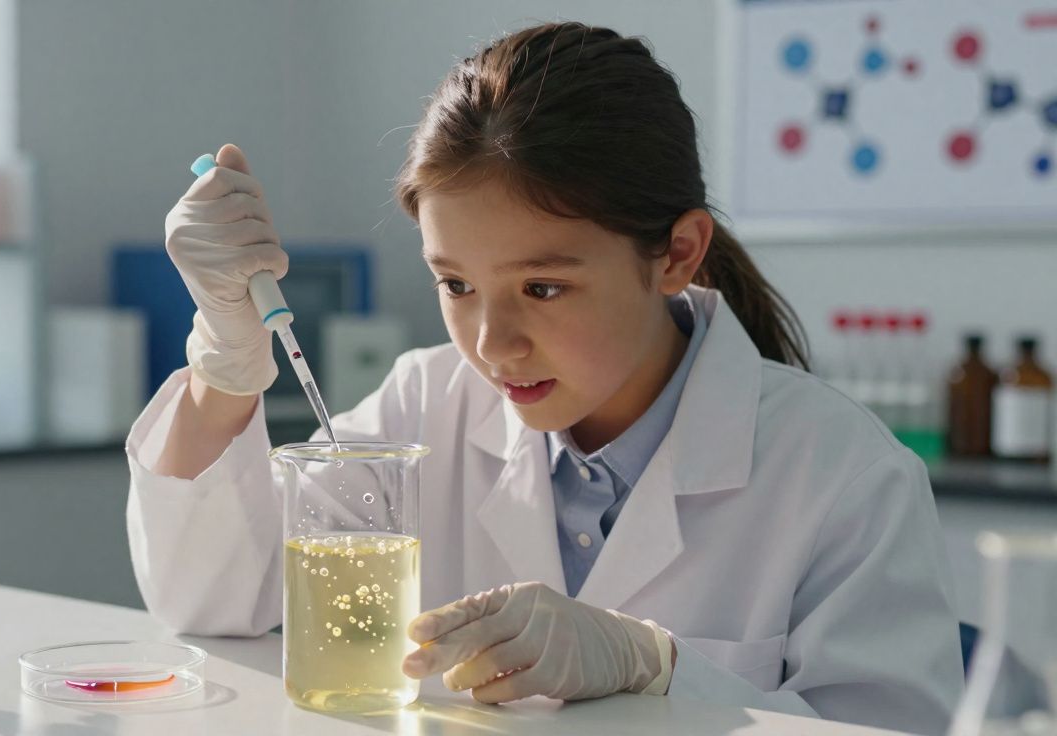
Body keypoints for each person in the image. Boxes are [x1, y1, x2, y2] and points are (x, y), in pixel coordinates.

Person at [126, 21, 963, 734]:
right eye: (455, 285)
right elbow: (215, 604)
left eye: (543, 288)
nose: (492, 345)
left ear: (677, 254)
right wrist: (226, 366)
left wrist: (660, 671)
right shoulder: (425, 405)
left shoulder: (846, 476)